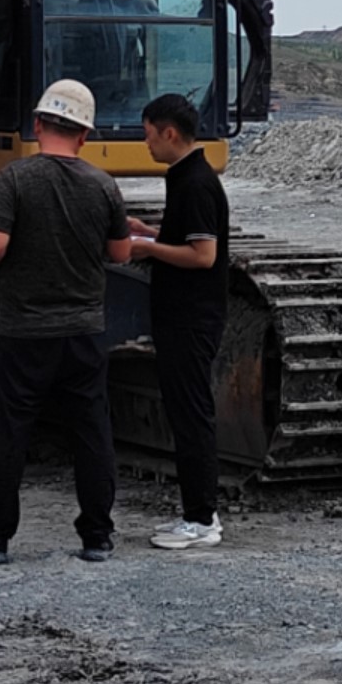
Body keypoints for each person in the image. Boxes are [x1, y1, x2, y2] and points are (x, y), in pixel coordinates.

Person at [0, 77, 138, 564]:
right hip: (83, 331)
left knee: (9, 434)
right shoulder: (103, 184)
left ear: (39, 125)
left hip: (22, 331)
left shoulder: (15, 179)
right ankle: (97, 536)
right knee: (91, 433)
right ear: (84, 135)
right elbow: (121, 253)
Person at [127, 90, 230, 551]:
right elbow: (187, 237)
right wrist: (151, 233)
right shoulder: (185, 177)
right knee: (185, 412)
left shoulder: (196, 183)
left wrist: (146, 250)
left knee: (191, 416)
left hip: (192, 318)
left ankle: (201, 519)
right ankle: (198, 512)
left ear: (170, 133)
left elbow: (203, 255)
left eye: (149, 135)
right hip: (180, 315)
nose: (146, 143)